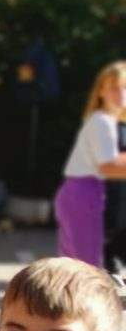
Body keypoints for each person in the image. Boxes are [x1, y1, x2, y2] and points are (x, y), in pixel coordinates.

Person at [53, 61, 126, 267]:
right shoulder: (103, 121)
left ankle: (63, 300)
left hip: (82, 193)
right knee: (87, 267)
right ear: (101, 90)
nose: (121, 94)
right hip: (82, 193)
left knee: (73, 266)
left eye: (125, 88)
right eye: (114, 88)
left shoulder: (105, 120)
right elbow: (108, 166)